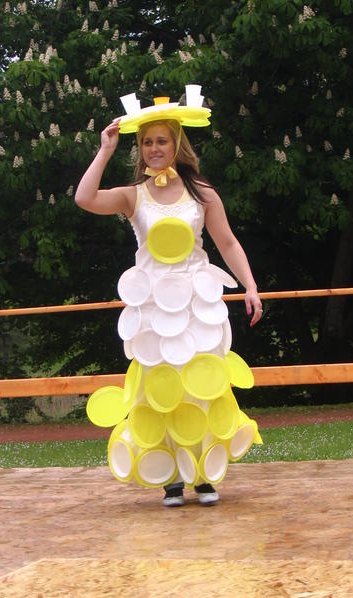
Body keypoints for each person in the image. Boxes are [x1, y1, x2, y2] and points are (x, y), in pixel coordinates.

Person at [76, 94, 263, 507]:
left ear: (178, 144)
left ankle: (204, 475)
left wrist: (249, 285)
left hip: (196, 303)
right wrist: (105, 149)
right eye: (147, 142)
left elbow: (228, 243)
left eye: (162, 140)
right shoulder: (133, 196)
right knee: (160, 388)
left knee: (201, 385)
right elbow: (84, 198)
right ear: (140, 149)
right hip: (154, 308)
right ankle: (172, 480)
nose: (154, 148)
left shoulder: (202, 193)